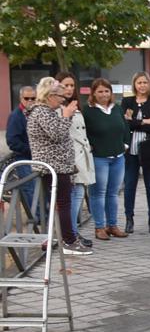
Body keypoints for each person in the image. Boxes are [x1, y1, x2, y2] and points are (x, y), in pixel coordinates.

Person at [25, 78, 92, 255]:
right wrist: (67, 115)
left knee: (61, 203)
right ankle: (68, 241)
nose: (63, 100)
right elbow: (57, 134)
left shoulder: (46, 111)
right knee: (63, 203)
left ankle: (62, 237)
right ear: (50, 96)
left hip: (59, 165)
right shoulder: (42, 112)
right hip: (53, 166)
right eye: (60, 96)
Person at [82, 78, 130, 240]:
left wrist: (125, 145)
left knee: (113, 193)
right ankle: (99, 227)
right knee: (98, 193)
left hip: (118, 157)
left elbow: (125, 128)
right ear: (93, 93)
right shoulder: (87, 111)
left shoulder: (116, 108)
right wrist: (90, 147)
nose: (104, 94)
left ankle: (112, 225)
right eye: (100, 91)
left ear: (111, 93)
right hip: (99, 158)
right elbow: (83, 133)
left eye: (106, 91)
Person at [55, 72, 94, 248]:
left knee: (77, 195)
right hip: (69, 159)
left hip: (81, 155)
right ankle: (68, 235)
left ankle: (72, 232)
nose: (69, 89)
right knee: (71, 197)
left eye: (72, 85)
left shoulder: (76, 106)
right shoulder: (57, 108)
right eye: (65, 85)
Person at [121, 72, 150, 233]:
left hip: (149, 149)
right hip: (130, 151)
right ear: (134, 84)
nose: (142, 85)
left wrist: (136, 122)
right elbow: (126, 125)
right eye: (139, 82)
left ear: (149, 84)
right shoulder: (127, 101)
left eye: (145, 82)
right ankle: (129, 219)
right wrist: (145, 121)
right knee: (130, 185)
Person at [5, 85, 39, 210]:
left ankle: (43, 215)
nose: (30, 101)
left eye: (33, 98)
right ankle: (37, 217)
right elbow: (12, 141)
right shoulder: (16, 116)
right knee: (30, 187)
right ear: (20, 98)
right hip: (23, 158)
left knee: (39, 188)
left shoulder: (36, 113)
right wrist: (31, 149)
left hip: (36, 158)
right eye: (26, 98)